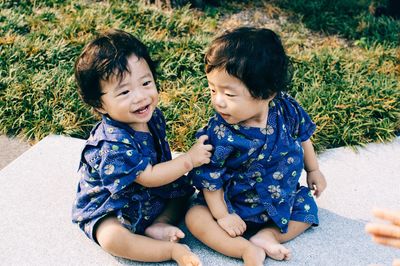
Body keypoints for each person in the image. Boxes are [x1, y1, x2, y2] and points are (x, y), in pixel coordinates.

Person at [185, 27, 327, 265]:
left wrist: (313, 170)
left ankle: (267, 235)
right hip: (232, 203)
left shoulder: (287, 110)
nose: (218, 101)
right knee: (195, 217)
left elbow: (303, 137)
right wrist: (222, 215)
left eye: (229, 94)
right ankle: (242, 249)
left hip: (281, 200)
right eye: (212, 89)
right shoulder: (221, 132)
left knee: (307, 211)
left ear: (267, 93)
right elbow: (210, 177)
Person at [71, 29, 212, 265]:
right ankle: (169, 252)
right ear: (100, 104)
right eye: (125, 91)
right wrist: (188, 159)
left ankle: (159, 225)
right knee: (111, 238)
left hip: (150, 195)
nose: (140, 96)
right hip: (114, 205)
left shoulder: (150, 116)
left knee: (184, 192)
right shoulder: (112, 144)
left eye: (146, 83)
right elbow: (147, 177)